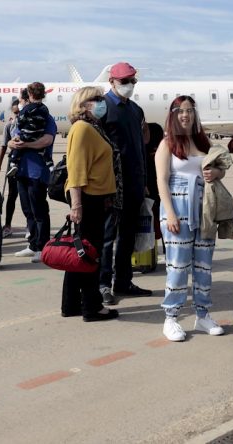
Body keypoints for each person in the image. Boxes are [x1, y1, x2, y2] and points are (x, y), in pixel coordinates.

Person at [155, 95, 225, 342]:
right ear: (173, 115)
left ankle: (203, 314)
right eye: (180, 111)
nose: (185, 115)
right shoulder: (167, 144)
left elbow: (219, 168)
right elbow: (161, 180)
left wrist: (217, 172)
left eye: (189, 110)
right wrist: (170, 213)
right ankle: (171, 317)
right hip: (178, 207)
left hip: (204, 209)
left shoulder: (203, 143)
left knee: (204, 265)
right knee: (178, 265)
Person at [62, 86, 119, 322]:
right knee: (90, 255)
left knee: (80, 253)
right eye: (96, 99)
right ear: (84, 104)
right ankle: (92, 307)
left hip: (95, 197)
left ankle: (71, 304)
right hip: (88, 198)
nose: (101, 102)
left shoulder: (92, 127)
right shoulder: (82, 128)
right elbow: (75, 170)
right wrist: (77, 205)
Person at [99, 62, 153, 300]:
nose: (129, 86)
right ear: (111, 82)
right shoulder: (101, 107)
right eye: (124, 82)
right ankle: (102, 285)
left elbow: (140, 147)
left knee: (128, 235)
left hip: (134, 183)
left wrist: (143, 181)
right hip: (110, 184)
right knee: (107, 236)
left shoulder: (135, 110)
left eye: (132, 81)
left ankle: (123, 280)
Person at [8, 83, 56, 264]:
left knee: (39, 209)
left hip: (37, 170)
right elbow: (16, 138)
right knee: (27, 209)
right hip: (22, 170)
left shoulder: (47, 118)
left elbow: (46, 140)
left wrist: (26, 145)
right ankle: (33, 244)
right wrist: (14, 143)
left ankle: (43, 247)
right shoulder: (25, 117)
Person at [6, 82, 52, 176]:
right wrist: (10, 143)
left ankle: (13, 163)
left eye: (20, 101)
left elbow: (46, 141)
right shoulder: (44, 110)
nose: (19, 104)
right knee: (44, 153)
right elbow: (12, 142)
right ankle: (50, 164)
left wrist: (24, 144)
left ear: (29, 97)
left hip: (37, 174)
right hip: (22, 172)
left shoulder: (48, 119)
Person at [0, 99, 21, 238]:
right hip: (13, 164)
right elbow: (3, 146)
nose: (17, 114)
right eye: (15, 112)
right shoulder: (9, 126)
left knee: (26, 196)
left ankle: (30, 225)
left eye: (19, 111)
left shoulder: (29, 125)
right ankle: (7, 224)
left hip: (26, 163)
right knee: (12, 195)